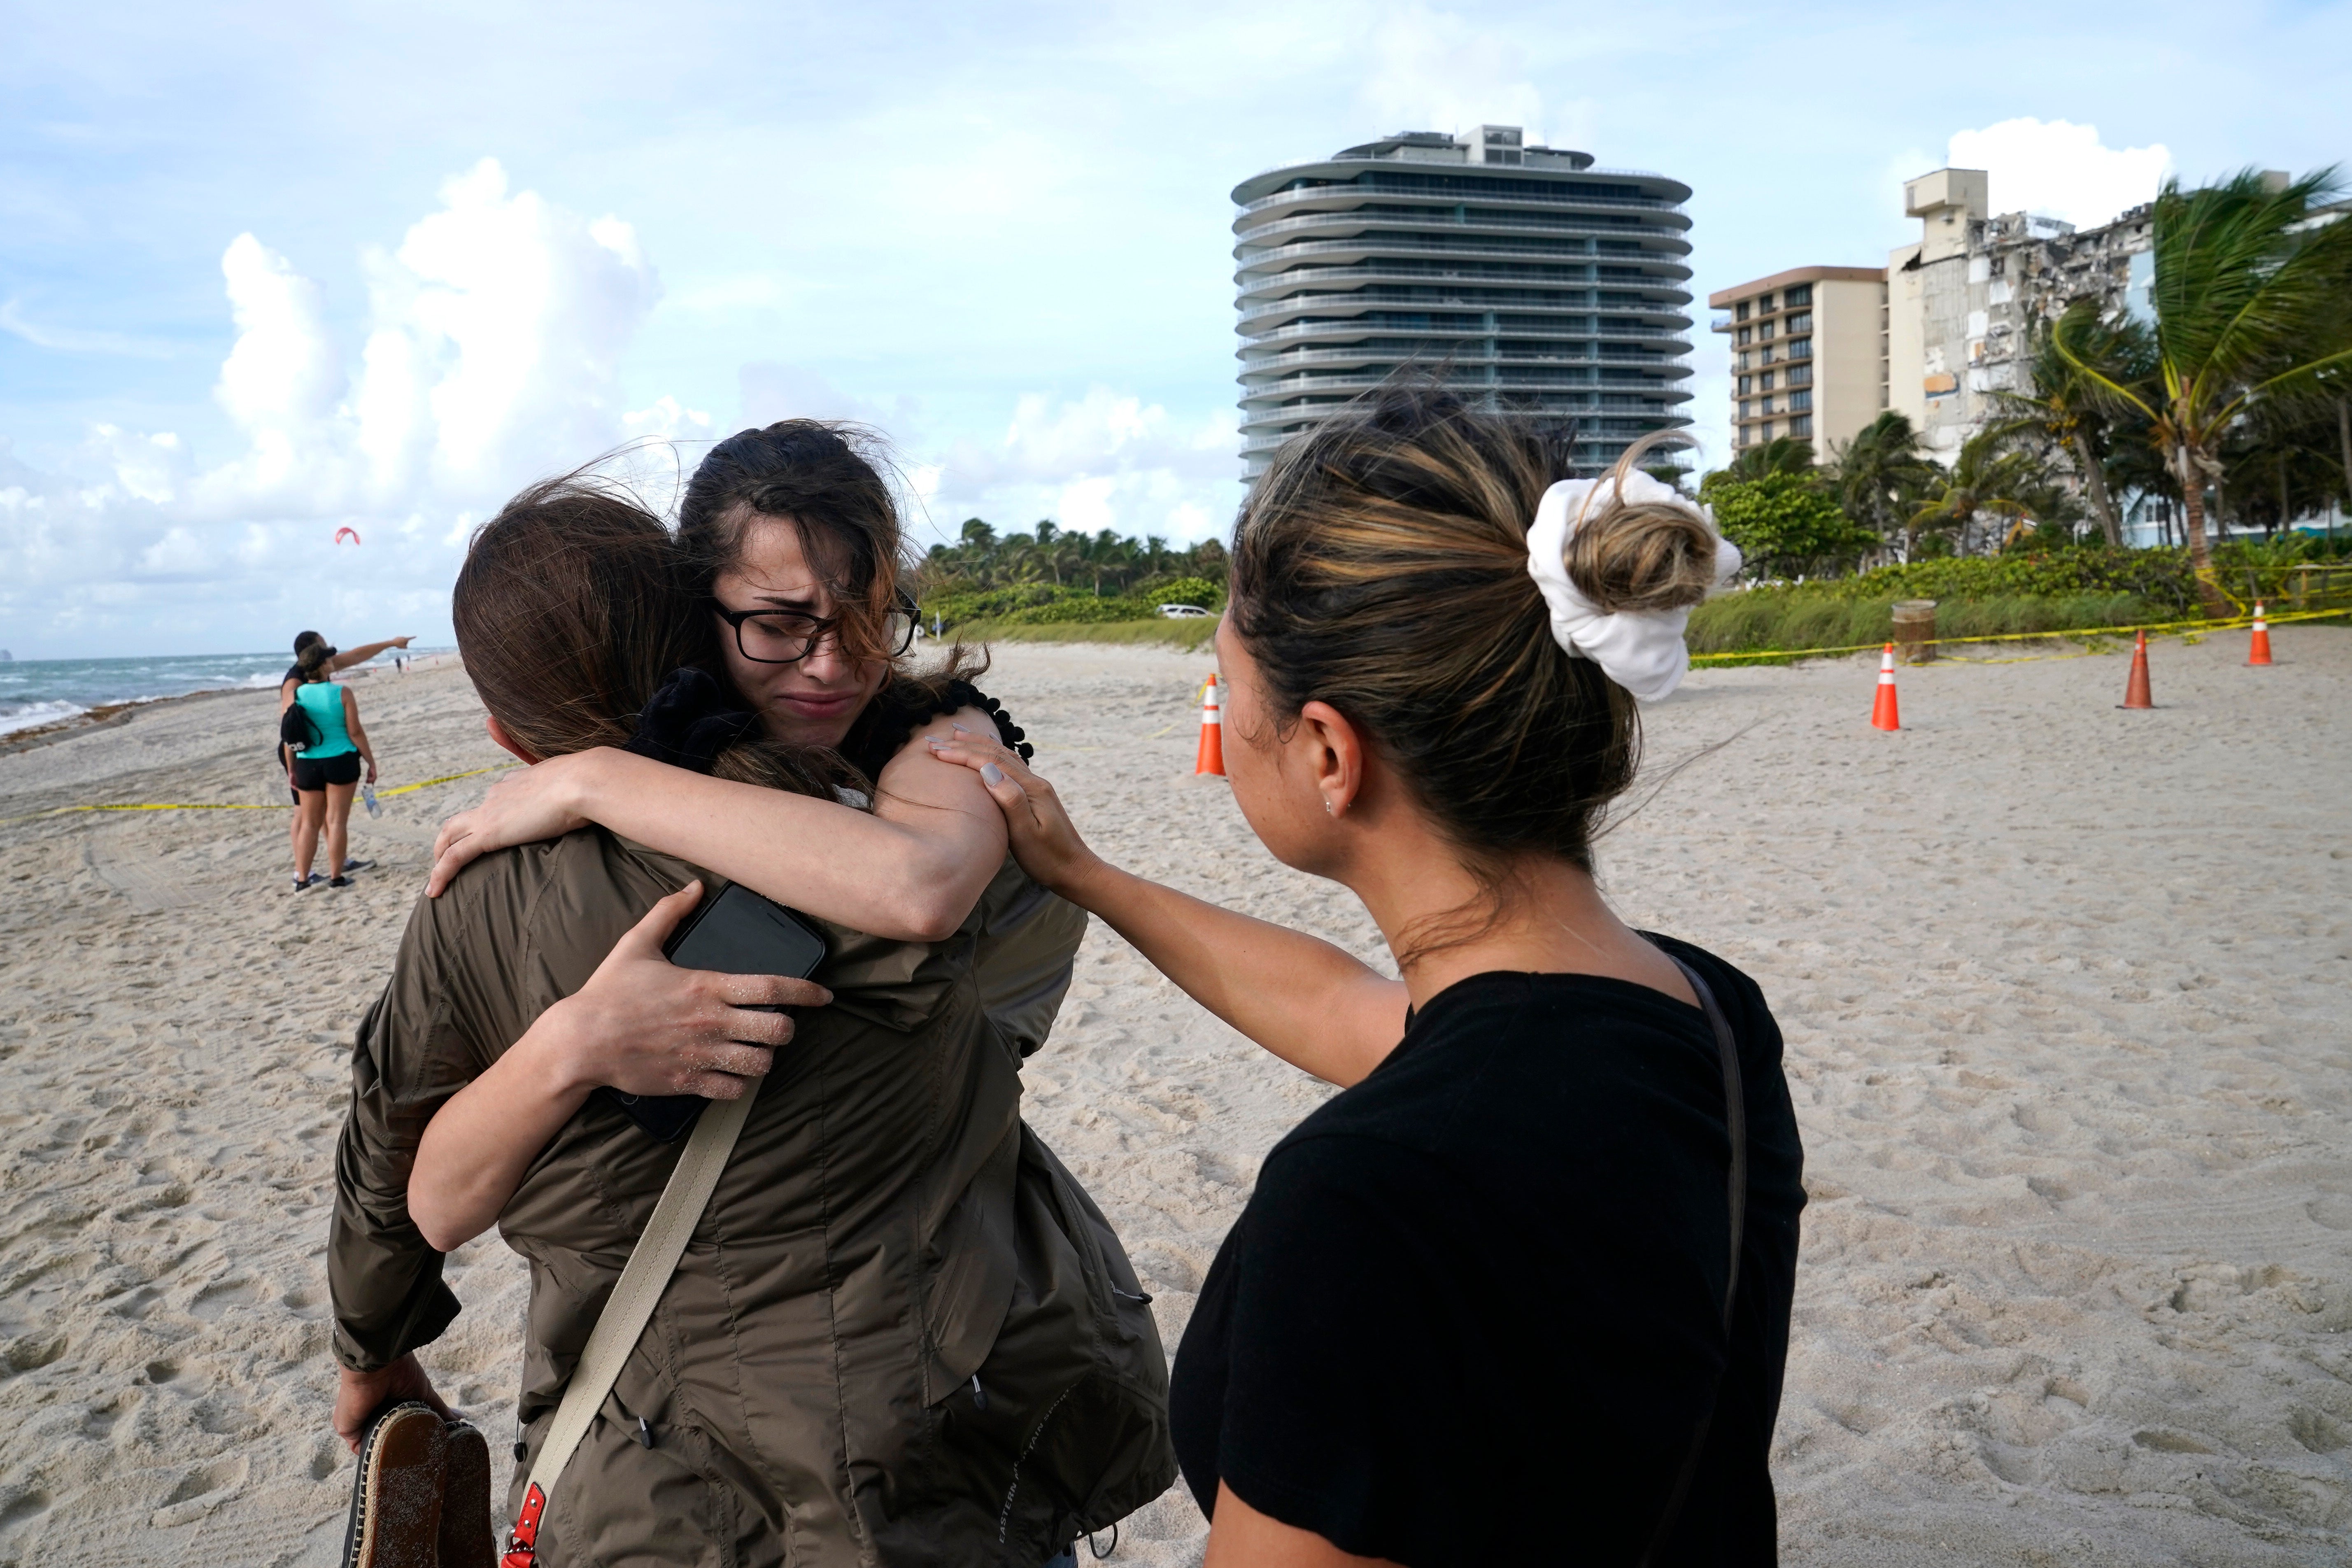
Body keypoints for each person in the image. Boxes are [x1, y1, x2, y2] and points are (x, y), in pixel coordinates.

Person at [929, 390, 1806, 1566]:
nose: (1230, 719)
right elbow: (1362, 1014)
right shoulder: (1702, 1014)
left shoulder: (1366, 1197)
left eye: (1233, 686)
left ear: (1332, 753)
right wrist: (1086, 874)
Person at [331, 436, 1173, 1566]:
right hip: (932, 1456)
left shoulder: (478, 898)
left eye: (865, 617)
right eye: (780, 625)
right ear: (698, 623)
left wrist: (371, 1355)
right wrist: (576, 1040)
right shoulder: (918, 802)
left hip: (646, 1479)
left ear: (501, 734)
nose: (830, 663)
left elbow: (397, 1171)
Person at [279, 630, 410, 871]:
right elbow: (288, 719)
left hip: (320, 749)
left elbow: (356, 656)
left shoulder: (316, 669)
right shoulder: (295, 680)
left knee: (324, 814)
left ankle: (336, 862)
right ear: (314, 651)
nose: (329, 648)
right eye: (324, 644)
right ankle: (301, 872)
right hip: (302, 748)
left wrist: (390, 643)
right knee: (305, 815)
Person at [285, 644, 378, 890]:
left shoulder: (298, 694)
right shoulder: (342, 693)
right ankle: (336, 878)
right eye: (329, 659)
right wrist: (371, 761)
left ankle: (302, 880)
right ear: (324, 665)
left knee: (309, 824)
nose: (332, 661)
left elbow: (289, 734)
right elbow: (355, 732)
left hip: (307, 763)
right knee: (336, 822)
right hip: (341, 761)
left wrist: (292, 768)